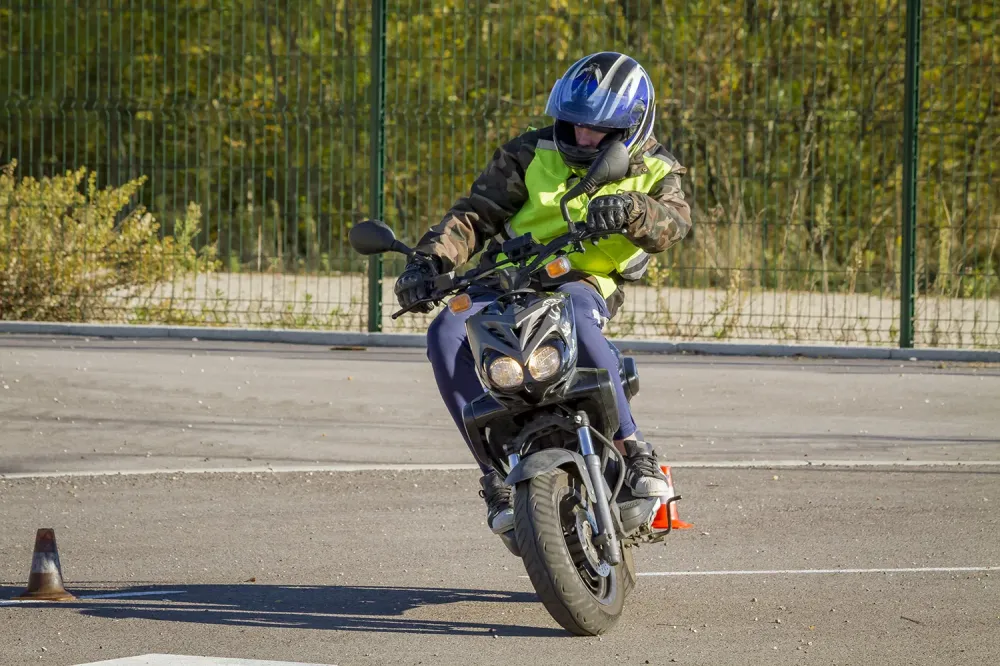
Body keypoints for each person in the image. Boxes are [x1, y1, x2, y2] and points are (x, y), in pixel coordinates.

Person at [393, 52, 692, 539]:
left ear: (632, 127)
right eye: (573, 125)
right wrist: (428, 261)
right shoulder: (530, 152)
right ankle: (495, 475)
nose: (582, 137)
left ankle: (635, 451)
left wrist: (632, 209)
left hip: (583, 279)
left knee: (576, 312)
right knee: (446, 332)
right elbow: (474, 215)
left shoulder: (657, 169)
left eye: (597, 130)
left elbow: (675, 223)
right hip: (508, 276)